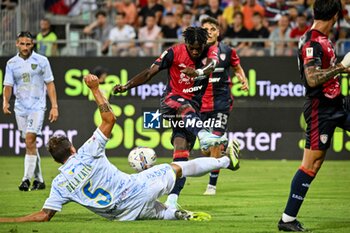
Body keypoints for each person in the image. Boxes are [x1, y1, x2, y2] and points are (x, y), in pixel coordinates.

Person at [0, 74, 239, 223]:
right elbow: (109, 120)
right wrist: (95, 89)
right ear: (72, 149)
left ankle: (173, 213)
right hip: (136, 189)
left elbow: (43, 216)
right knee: (178, 167)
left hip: (122, 215)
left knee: (159, 212)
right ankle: (225, 161)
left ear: (56, 161)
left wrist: (6, 219)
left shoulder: (60, 185)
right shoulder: (86, 152)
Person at [113, 27, 235, 209]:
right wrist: (126, 86)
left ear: (204, 44)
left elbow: (211, 66)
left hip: (193, 111)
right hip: (171, 102)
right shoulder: (172, 53)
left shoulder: (210, 51)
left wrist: (199, 73)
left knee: (181, 154)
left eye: (198, 48)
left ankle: (172, 201)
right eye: (191, 48)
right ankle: (204, 135)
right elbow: (149, 73)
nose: (195, 51)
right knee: (183, 107)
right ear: (186, 43)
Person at [278, 0, 350, 231]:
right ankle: (287, 220)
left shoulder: (322, 38)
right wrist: (341, 67)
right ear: (337, 15)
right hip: (322, 109)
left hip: (338, 103)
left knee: (313, 163)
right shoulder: (312, 41)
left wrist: (338, 67)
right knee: (311, 164)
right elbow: (312, 78)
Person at [2, 31, 59, 191]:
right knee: (30, 144)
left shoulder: (42, 61)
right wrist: (5, 101)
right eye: (22, 44)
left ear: (32, 44)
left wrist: (54, 106)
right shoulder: (11, 63)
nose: (25, 47)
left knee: (29, 140)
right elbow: (8, 85)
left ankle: (26, 179)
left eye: (28, 44)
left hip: (37, 106)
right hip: (20, 108)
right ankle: (39, 180)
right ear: (17, 44)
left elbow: (50, 84)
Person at [201, 17, 248, 195]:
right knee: (205, 151)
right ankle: (228, 154)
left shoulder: (227, 51)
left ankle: (211, 186)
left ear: (218, 32)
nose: (210, 32)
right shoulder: (196, 52)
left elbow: (237, 68)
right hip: (200, 106)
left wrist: (242, 79)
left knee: (214, 141)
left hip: (221, 103)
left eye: (213, 29)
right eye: (206, 29)